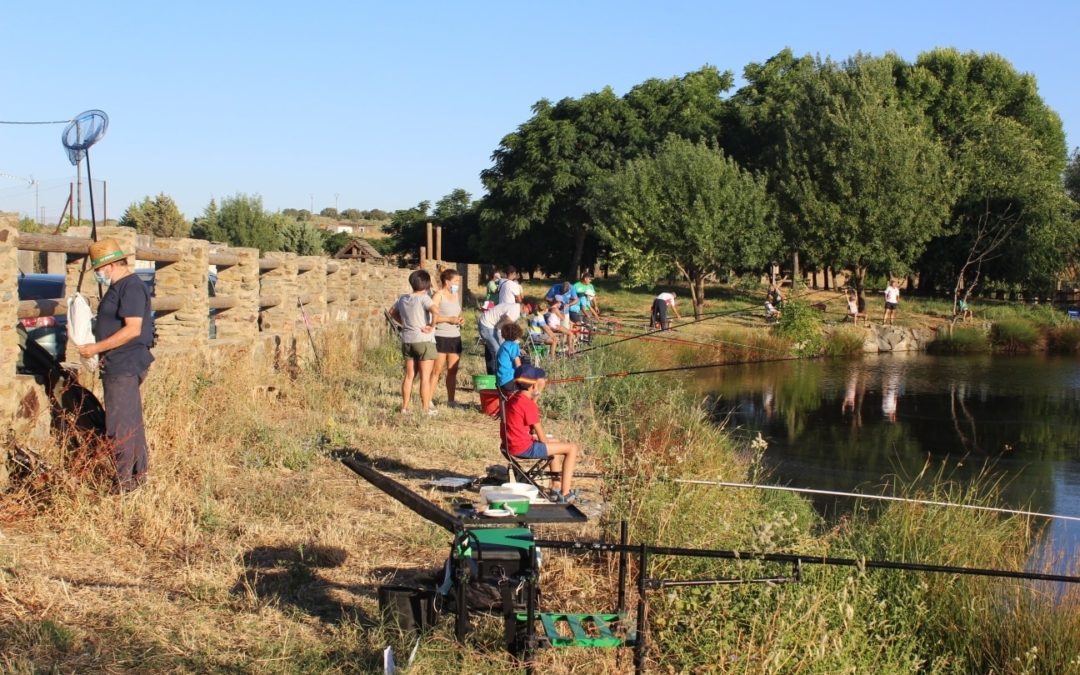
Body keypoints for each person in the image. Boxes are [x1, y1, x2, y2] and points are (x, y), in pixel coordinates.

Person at [75, 238, 155, 493]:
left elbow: (132, 329)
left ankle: (123, 483)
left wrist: (94, 349)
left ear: (109, 265)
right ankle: (136, 479)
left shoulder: (130, 287)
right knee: (130, 422)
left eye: (98, 270)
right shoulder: (120, 286)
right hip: (118, 364)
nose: (98, 274)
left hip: (124, 363)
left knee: (119, 425)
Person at [500, 364, 579, 502]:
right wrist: (538, 392)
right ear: (533, 386)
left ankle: (556, 486)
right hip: (523, 448)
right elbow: (542, 439)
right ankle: (565, 493)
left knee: (554, 442)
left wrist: (537, 392)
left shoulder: (512, 399)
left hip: (509, 445)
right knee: (571, 448)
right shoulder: (527, 404)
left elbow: (524, 424)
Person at [390, 270, 437, 415]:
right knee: (425, 377)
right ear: (427, 284)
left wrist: (404, 324)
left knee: (409, 375)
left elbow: (392, 312)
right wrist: (431, 325)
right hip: (423, 340)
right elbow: (435, 310)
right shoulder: (424, 298)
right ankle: (425, 409)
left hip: (407, 339)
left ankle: (405, 407)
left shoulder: (403, 298)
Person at [431, 268, 465, 408]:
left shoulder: (456, 294)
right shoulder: (438, 295)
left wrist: (460, 320)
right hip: (441, 336)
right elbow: (432, 318)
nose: (458, 283)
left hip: (455, 336)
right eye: (456, 281)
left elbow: (457, 313)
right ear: (447, 281)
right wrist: (448, 319)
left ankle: (451, 400)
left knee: (453, 370)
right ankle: (428, 399)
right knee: (436, 371)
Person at [476, 301, 517, 375]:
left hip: (493, 327)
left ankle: (498, 374)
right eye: (484, 310)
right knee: (496, 350)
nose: (484, 311)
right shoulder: (490, 318)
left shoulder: (507, 314)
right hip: (489, 327)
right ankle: (495, 375)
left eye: (486, 310)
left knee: (497, 350)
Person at [495, 323, 524, 392]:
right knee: (527, 388)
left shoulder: (503, 345)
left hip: (500, 381)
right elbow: (518, 365)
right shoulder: (514, 345)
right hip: (509, 380)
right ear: (517, 335)